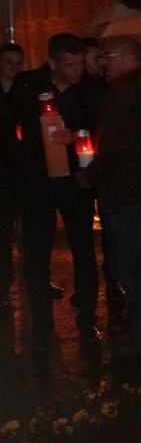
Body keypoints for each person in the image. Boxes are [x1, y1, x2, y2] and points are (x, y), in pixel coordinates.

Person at [7, 33, 105, 346]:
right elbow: (8, 126)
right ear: (53, 63)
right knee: (36, 254)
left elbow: (104, 131)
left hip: (76, 182)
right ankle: (41, 321)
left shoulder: (91, 90)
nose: (78, 70)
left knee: (84, 250)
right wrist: (24, 165)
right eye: (70, 64)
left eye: (81, 63)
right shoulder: (28, 86)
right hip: (37, 183)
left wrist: (77, 137)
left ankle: (87, 315)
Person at [82, 36, 141, 358]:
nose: (103, 62)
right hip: (127, 189)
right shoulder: (128, 89)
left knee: (135, 266)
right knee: (128, 264)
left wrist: (92, 172)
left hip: (130, 190)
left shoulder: (132, 92)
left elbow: (119, 145)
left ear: (128, 58)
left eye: (108, 56)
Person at [0, 42, 26, 304]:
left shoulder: (25, 92)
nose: (14, 67)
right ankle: (4, 281)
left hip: (21, 169)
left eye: (18, 62)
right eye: (8, 61)